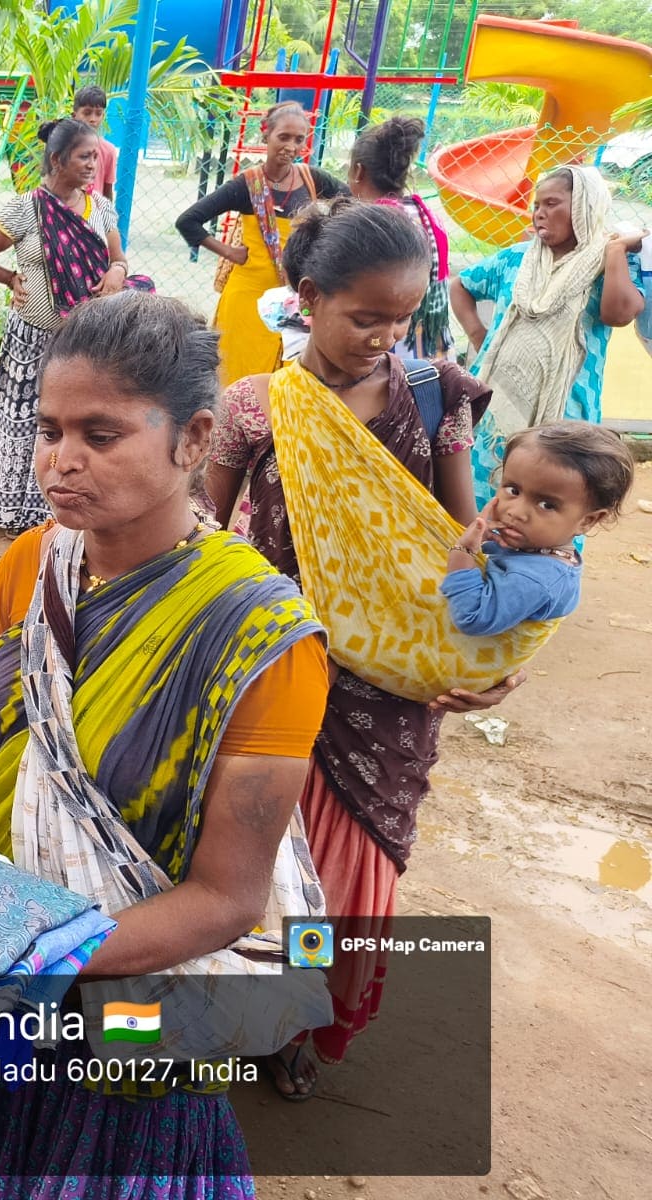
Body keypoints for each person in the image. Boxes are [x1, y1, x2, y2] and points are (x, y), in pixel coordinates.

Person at [0, 292, 331, 1196]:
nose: (61, 460)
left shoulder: (260, 637)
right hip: (5, 992)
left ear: (194, 439)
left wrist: (31, 958)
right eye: (48, 430)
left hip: (136, 1014)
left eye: (101, 433)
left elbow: (227, 900)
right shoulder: (31, 564)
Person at [204, 199, 523, 1100]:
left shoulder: (436, 395)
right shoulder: (256, 406)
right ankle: (239, 1005)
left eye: (405, 317)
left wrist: (492, 656)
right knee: (253, 859)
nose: (387, 337)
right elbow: (203, 532)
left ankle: (295, 1021)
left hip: (388, 689)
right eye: (366, 317)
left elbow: (461, 540)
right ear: (309, 298)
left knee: (347, 878)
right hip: (271, 664)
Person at [0, 118, 127, 533]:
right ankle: (9, 510)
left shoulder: (100, 209)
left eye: (96, 157)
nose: (93, 165)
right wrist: (10, 278)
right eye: (84, 157)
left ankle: (58, 514)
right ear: (57, 160)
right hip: (31, 340)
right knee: (23, 424)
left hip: (83, 343)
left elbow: (119, 260)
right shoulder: (24, 209)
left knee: (71, 427)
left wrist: (116, 274)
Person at [450, 165, 646, 507]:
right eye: (537, 205)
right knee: (482, 491)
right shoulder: (516, 259)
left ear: (584, 207)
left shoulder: (611, 265)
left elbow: (618, 314)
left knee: (555, 498)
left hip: (566, 411)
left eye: (552, 203)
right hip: (496, 404)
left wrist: (615, 252)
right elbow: (460, 286)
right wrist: (478, 334)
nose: (539, 213)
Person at [175, 100, 346, 384]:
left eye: (299, 140)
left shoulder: (312, 179)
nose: (291, 146)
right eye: (283, 137)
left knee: (287, 380)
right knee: (239, 376)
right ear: (266, 135)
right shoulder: (246, 184)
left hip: (295, 297)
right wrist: (229, 252)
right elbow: (188, 221)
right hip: (248, 299)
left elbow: (352, 205)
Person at [443, 421, 635, 634]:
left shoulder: (537, 579)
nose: (516, 512)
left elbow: (473, 617)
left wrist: (463, 552)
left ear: (587, 521)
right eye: (513, 490)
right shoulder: (539, 548)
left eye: (547, 505)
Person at [347, 115, 454, 358]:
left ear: (358, 171)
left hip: (387, 349)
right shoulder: (427, 216)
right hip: (431, 349)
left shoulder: (372, 223)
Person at [72, 84, 116, 200]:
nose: (93, 119)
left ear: (103, 116)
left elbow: (107, 191)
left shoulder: (108, 150)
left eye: (98, 113)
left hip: (94, 209)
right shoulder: (64, 147)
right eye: (87, 113)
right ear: (74, 115)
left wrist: (107, 211)